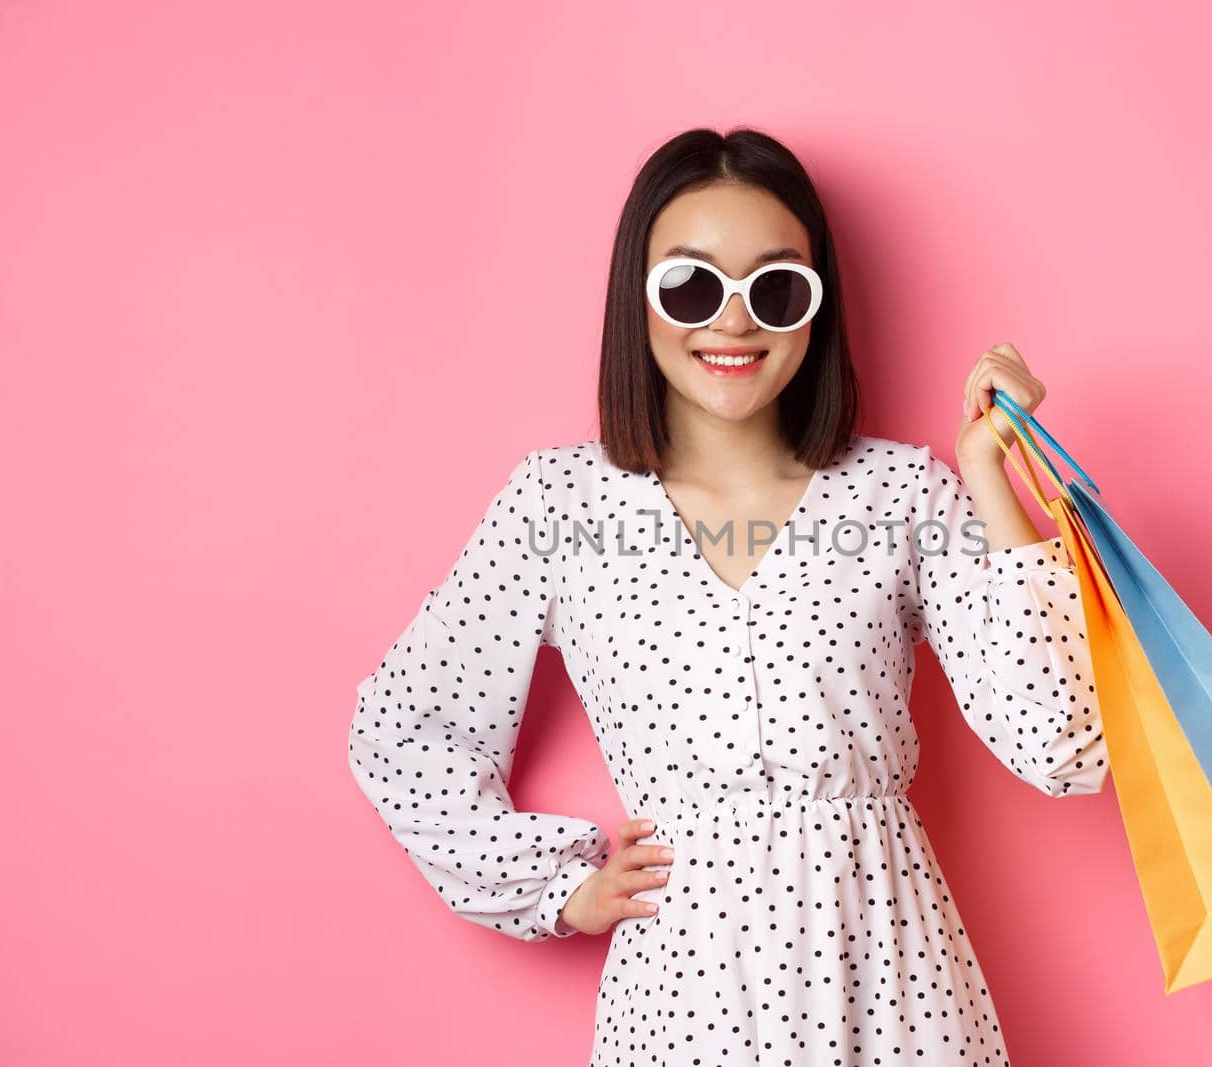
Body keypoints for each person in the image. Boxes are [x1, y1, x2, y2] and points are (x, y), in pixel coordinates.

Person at [348, 126, 1107, 1066]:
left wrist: (991, 476)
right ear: (641, 298)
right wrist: (554, 888)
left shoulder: (903, 493)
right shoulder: (560, 502)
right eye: (693, 285)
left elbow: (1063, 746)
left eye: (777, 286)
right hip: (684, 989)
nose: (733, 320)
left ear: (815, 310)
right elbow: (403, 726)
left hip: (889, 977)